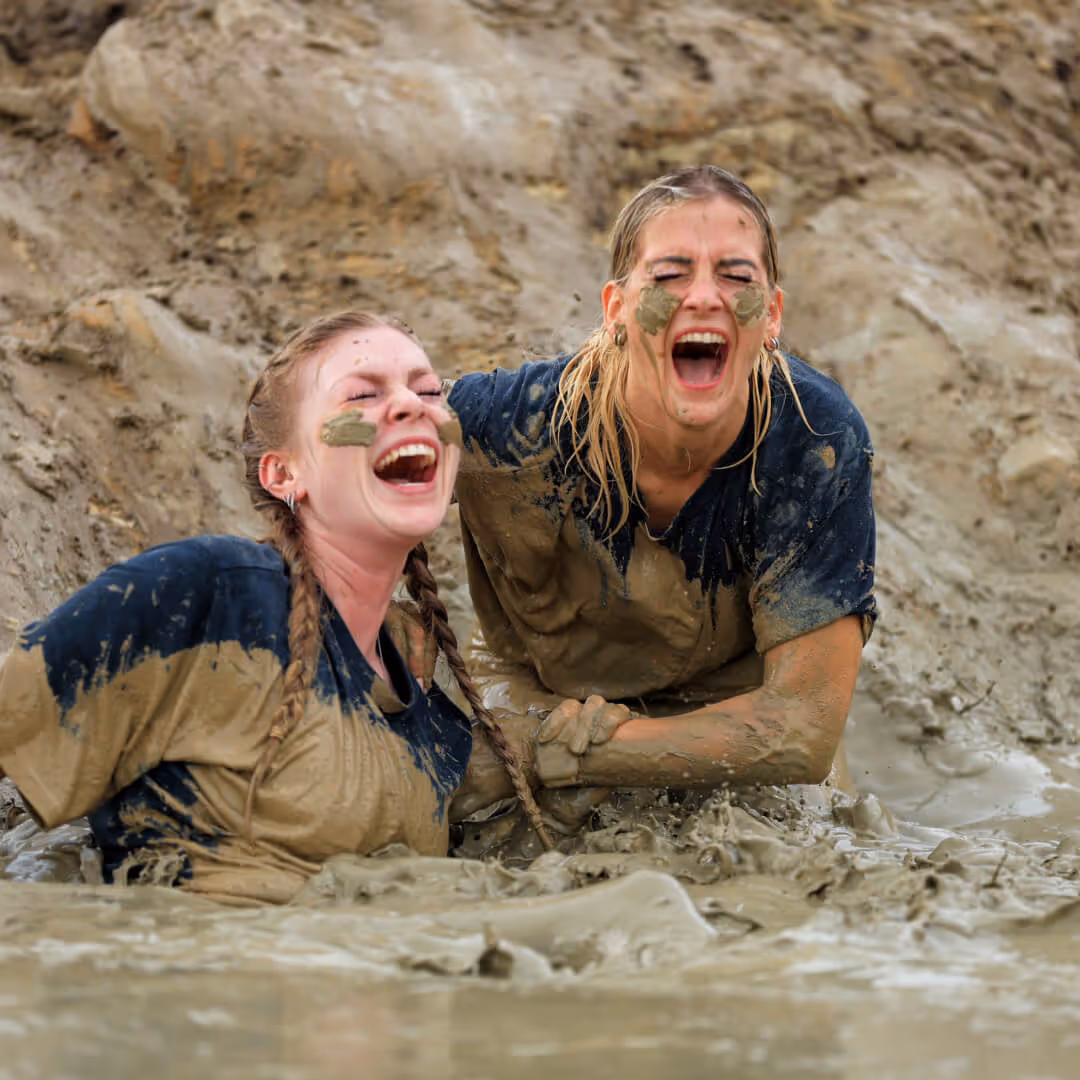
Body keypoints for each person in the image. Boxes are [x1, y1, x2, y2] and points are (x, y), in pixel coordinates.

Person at [0, 311, 547, 905]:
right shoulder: (214, 598)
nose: (411, 406)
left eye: (429, 391)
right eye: (362, 394)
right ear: (284, 473)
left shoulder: (432, 719)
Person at [446, 165, 877, 834]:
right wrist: (389, 625)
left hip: (731, 707)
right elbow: (324, 451)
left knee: (824, 850)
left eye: (737, 278)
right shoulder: (516, 424)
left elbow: (801, 730)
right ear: (616, 308)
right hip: (532, 692)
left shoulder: (813, 438)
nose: (703, 297)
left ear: (772, 315)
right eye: (669, 276)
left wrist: (571, 756)